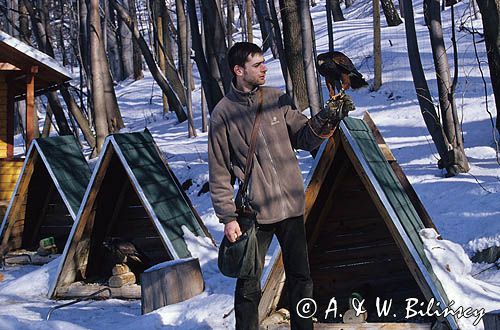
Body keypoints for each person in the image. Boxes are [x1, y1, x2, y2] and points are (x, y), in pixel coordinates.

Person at [208, 42, 353, 330]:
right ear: (238, 70)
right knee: (248, 285)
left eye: (264, 63)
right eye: (257, 65)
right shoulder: (222, 113)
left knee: (301, 278)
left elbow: (305, 137)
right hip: (255, 212)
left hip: (290, 204)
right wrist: (227, 217)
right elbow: (219, 170)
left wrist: (328, 116)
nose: (264, 68)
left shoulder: (277, 98)